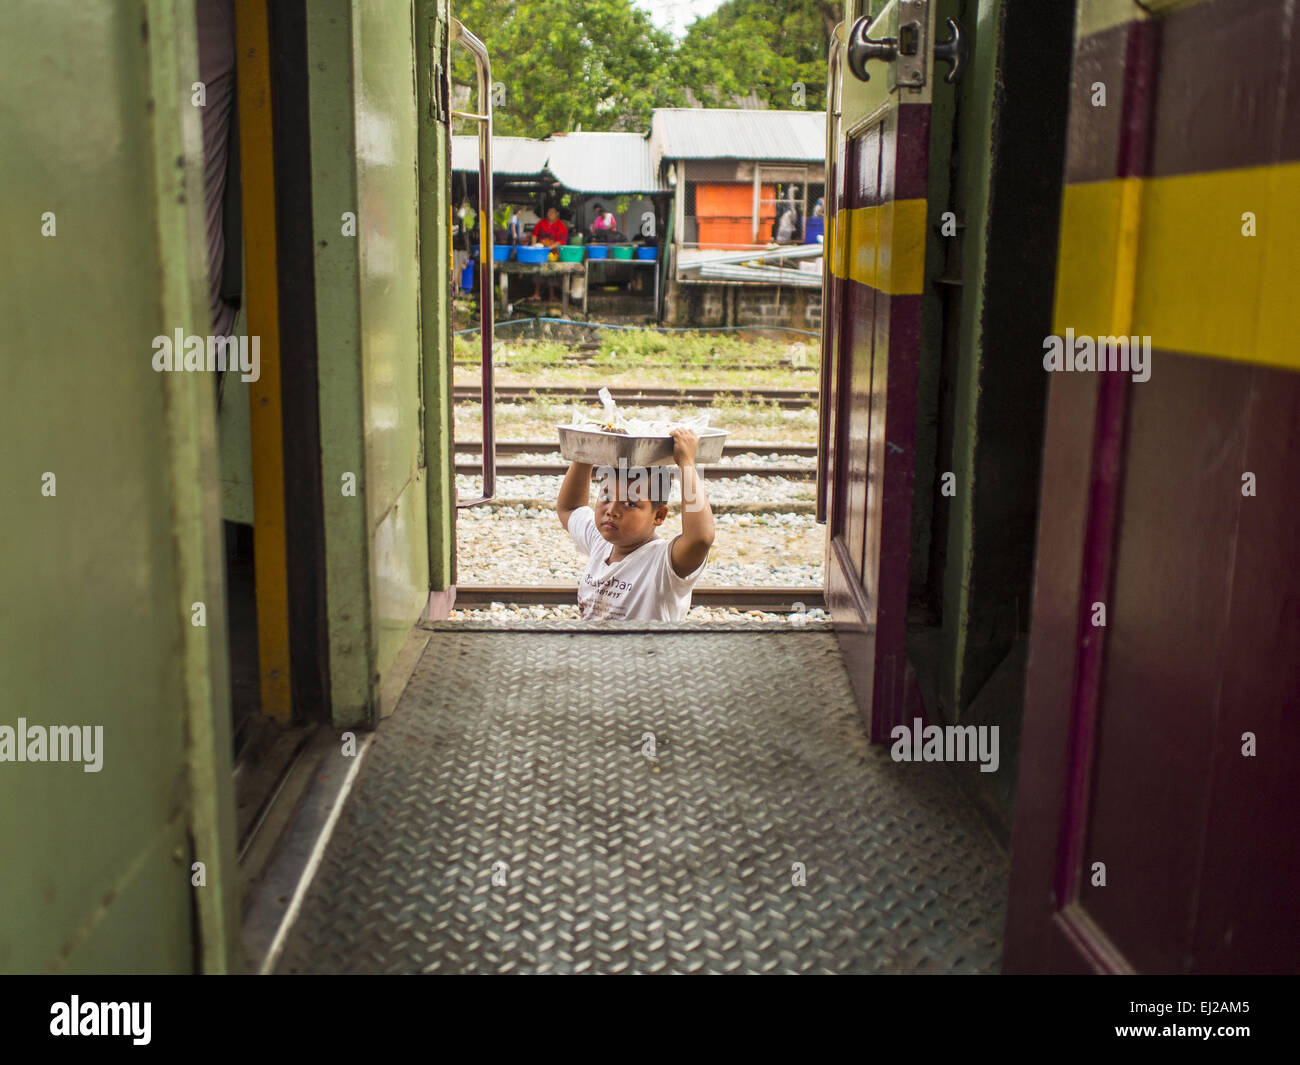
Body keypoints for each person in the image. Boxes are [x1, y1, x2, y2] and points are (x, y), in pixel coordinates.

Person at [556, 429, 715, 622]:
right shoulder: (600, 542)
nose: (612, 510)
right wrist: (586, 452)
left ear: (659, 515)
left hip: (646, 653)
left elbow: (700, 538)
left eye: (630, 503)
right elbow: (570, 508)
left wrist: (687, 463)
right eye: (606, 496)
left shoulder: (663, 564)